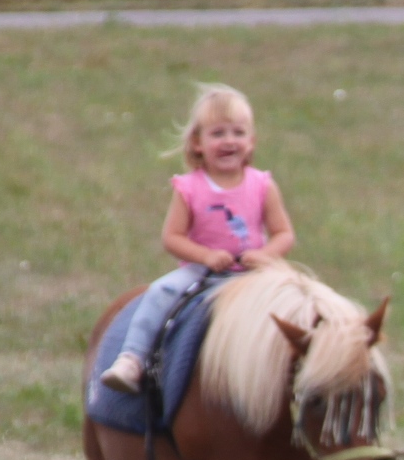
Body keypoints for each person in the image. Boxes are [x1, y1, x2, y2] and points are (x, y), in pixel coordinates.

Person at [99, 84, 294, 395]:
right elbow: (172, 237)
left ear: (251, 141)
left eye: (238, 132)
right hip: (201, 271)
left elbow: (284, 233)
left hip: (252, 273)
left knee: (296, 299)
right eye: (218, 133)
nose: (229, 141)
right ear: (197, 143)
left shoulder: (262, 185)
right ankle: (132, 359)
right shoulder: (189, 188)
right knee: (161, 291)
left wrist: (265, 254)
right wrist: (206, 256)